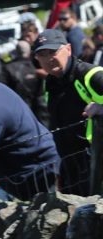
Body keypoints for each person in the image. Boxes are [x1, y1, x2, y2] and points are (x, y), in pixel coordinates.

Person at [36, 28, 103, 195]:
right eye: (42, 54)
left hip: (97, 160)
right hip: (71, 165)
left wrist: (101, 107)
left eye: (53, 51)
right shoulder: (50, 83)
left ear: (68, 49)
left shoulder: (89, 74)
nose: (48, 59)